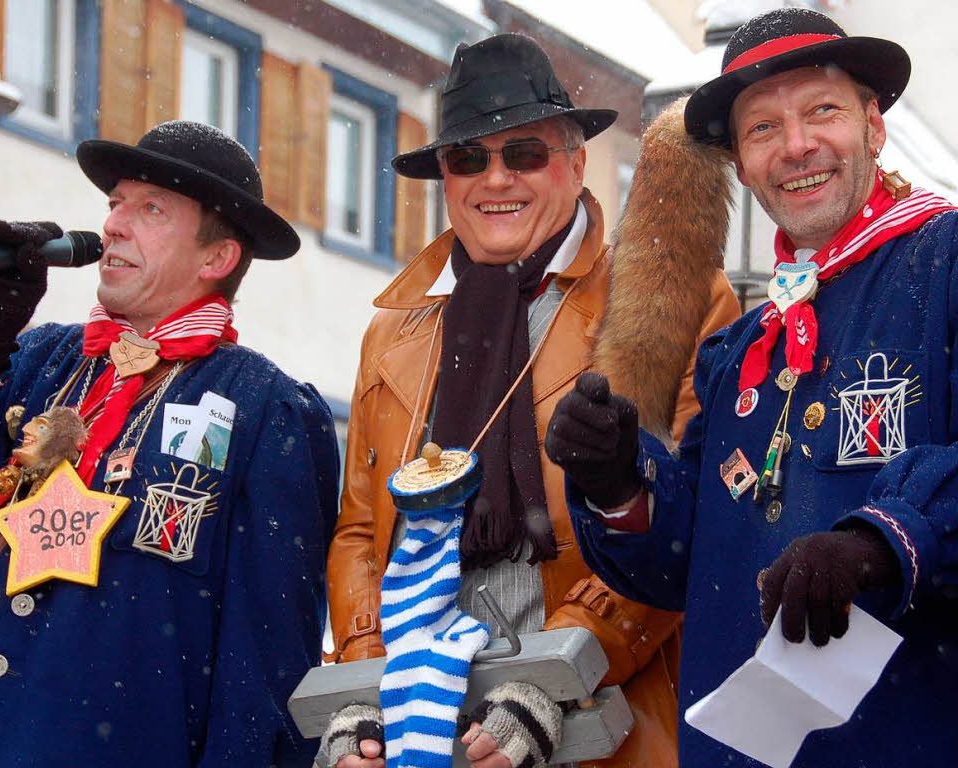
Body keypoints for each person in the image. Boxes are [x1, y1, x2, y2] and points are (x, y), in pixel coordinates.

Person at [547, 8, 958, 767]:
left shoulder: (946, 262)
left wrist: (882, 544)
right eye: (762, 129)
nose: (796, 146)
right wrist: (617, 484)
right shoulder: (738, 349)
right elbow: (685, 560)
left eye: (822, 112)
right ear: (739, 163)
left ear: (874, 125)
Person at [323, 34, 739, 768]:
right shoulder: (394, 329)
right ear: (444, 178)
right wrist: (367, 683)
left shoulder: (673, 300)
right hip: (421, 735)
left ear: (577, 164)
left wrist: (553, 677)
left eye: (524, 153)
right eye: (468, 158)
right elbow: (360, 532)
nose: (495, 179)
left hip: (602, 733)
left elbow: (683, 524)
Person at [0, 121, 339, 767]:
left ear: (216, 258)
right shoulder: (36, 360)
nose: (115, 225)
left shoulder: (268, 411)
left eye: (150, 209)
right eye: (115, 203)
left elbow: (265, 672)